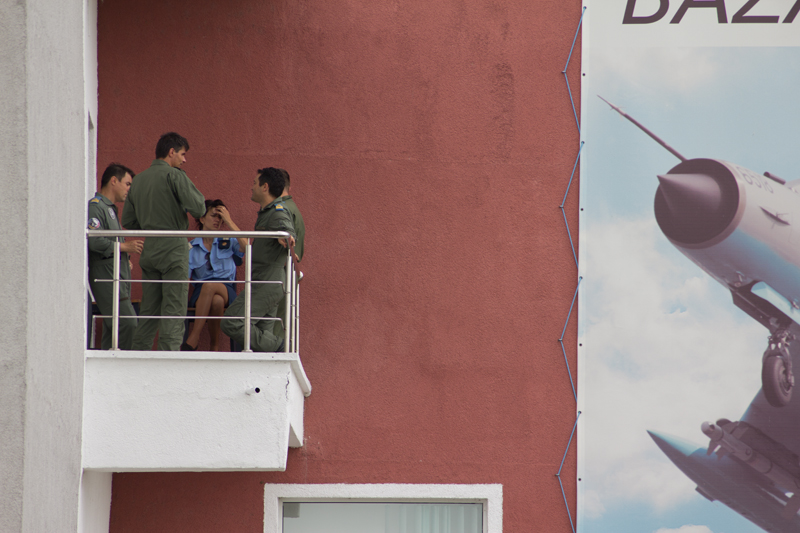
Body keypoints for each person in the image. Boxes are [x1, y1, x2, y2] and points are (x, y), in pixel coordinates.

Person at [121, 132, 206, 351]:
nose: (184, 160)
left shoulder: (139, 179)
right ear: (171, 152)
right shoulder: (174, 175)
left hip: (150, 249)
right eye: (182, 154)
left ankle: (139, 354)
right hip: (173, 248)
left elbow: (128, 220)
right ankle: (169, 358)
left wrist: (151, 226)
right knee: (174, 309)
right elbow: (199, 208)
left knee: (149, 310)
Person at [221, 168, 295, 352]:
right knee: (261, 338)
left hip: (267, 282)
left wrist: (286, 237)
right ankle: (274, 354)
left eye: (254, 183)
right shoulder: (266, 212)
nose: (251, 187)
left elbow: (286, 229)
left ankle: (281, 346)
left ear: (265, 187)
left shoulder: (276, 212)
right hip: (267, 282)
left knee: (231, 322)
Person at [88, 163, 143, 349]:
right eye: (127, 184)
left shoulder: (110, 208)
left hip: (116, 274)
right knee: (127, 323)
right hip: (105, 274)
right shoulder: (96, 207)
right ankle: (123, 363)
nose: (129, 189)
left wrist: (124, 258)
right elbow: (94, 240)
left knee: (113, 328)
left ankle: (107, 361)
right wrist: (124, 247)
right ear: (113, 181)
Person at [181, 199, 247, 351]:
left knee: (210, 286)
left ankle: (194, 337)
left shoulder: (228, 241)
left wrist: (229, 221)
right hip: (200, 293)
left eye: (220, 217)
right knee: (216, 301)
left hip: (226, 289)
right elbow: (185, 278)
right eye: (213, 216)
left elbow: (247, 248)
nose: (218, 220)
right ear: (202, 219)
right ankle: (214, 346)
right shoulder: (191, 248)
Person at [273, 168, 306, 338]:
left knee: (274, 329)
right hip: (288, 275)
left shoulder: (281, 208)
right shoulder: (292, 208)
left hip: (280, 276)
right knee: (281, 327)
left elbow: (288, 240)